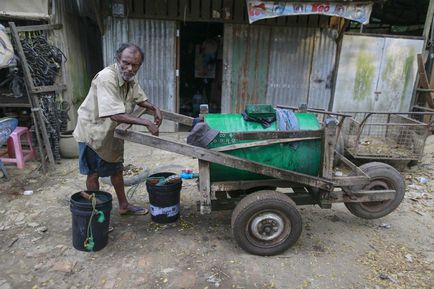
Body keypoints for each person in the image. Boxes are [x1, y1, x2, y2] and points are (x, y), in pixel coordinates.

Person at [73, 43, 162, 215]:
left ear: (139, 65)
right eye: (126, 62)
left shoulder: (129, 78)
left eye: (135, 65)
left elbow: (139, 98)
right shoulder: (107, 77)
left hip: (111, 131)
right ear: (117, 59)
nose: (129, 68)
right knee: (93, 174)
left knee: (116, 169)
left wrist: (154, 108)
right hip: (93, 131)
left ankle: (123, 205)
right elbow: (114, 115)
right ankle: (96, 213)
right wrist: (146, 123)